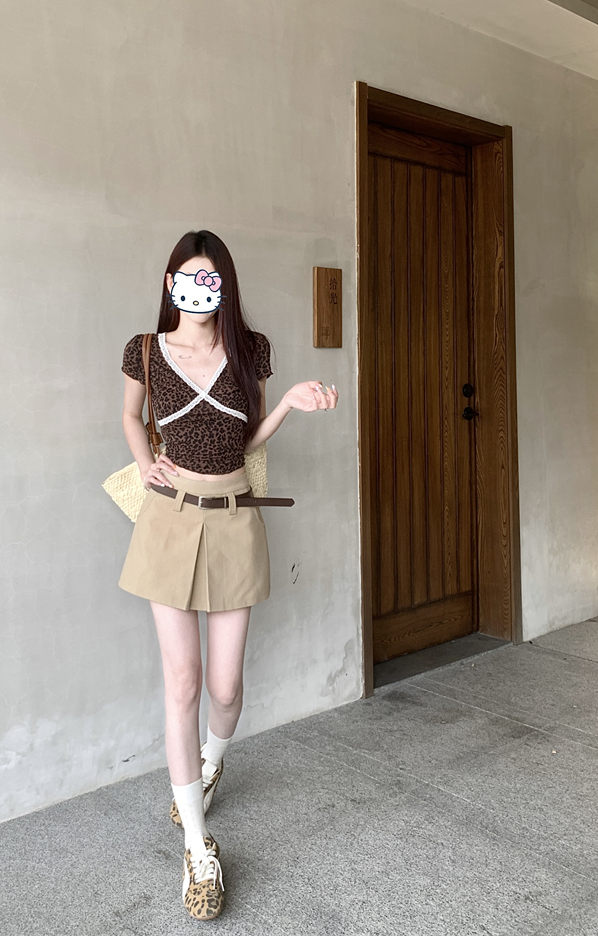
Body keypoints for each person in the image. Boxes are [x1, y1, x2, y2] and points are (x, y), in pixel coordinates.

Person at [118, 229, 338, 920]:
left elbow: (246, 439)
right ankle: (197, 843)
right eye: (189, 277)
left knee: (225, 686)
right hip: (168, 520)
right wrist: (144, 459)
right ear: (170, 283)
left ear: (225, 284)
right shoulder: (144, 350)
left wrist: (288, 403)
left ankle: (213, 761)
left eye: (211, 278)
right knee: (182, 682)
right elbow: (130, 415)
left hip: (235, 516)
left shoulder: (250, 349)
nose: (200, 289)